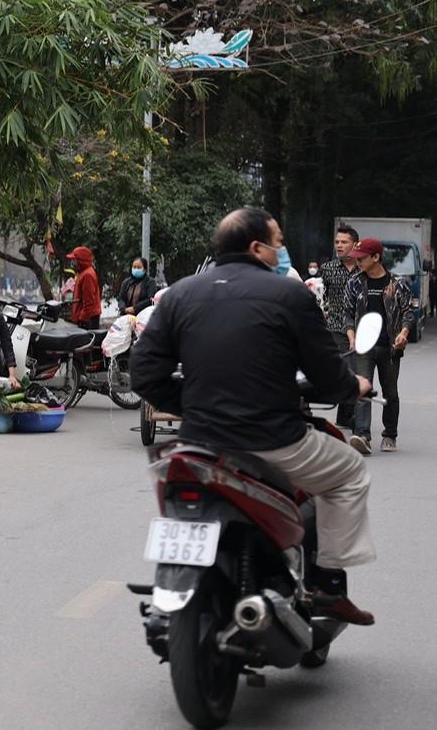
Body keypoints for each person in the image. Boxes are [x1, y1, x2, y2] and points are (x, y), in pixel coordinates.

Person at [132, 207, 376, 625]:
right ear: (257, 248)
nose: (282, 250)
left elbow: (144, 374)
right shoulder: (290, 295)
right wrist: (354, 386)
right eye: (278, 242)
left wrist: (193, 404)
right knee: (350, 471)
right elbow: (326, 374)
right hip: (273, 438)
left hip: (199, 441)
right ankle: (327, 584)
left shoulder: (180, 295)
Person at [345, 238, 414, 455]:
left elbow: (408, 313)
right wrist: (352, 337)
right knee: (362, 390)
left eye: (362, 258)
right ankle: (363, 435)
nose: (358, 262)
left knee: (390, 393)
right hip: (363, 348)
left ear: (376, 257)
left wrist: (403, 334)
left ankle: (390, 434)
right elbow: (347, 313)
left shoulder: (398, 284)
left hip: (390, 348)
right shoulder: (354, 283)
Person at [320, 225, 361, 430]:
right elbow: (319, 295)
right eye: (337, 242)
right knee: (348, 368)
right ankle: (350, 415)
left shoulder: (365, 269)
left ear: (355, 245)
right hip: (336, 327)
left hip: (361, 328)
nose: (339, 245)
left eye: (344, 242)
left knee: (358, 371)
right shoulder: (327, 269)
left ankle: (345, 415)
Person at [66, 246, 101, 329]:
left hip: (88, 319)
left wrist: (82, 320)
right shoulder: (83, 273)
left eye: (74, 260)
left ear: (80, 261)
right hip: (86, 317)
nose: (73, 262)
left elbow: (89, 302)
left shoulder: (87, 275)